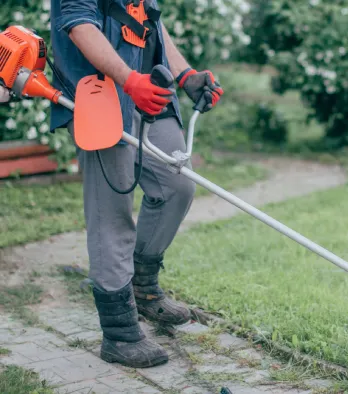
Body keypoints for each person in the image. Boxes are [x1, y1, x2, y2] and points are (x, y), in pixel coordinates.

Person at [46, 0, 224, 368]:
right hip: (100, 94)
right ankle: (120, 333)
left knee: (177, 185)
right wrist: (128, 80)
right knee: (112, 211)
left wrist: (186, 74)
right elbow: (79, 25)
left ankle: (143, 287)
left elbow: (149, 24)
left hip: (148, 94)